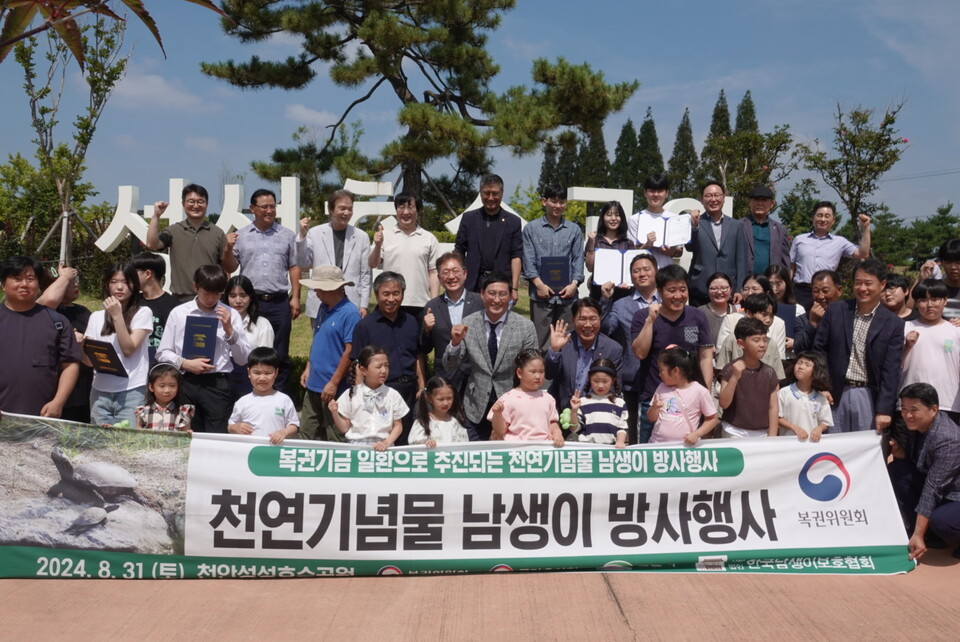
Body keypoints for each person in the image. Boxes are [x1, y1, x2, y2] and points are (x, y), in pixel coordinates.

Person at [442, 271, 538, 441]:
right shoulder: (468, 323)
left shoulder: (525, 326)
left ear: (510, 296)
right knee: (476, 458)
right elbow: (450, 366)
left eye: (502, 294)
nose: (496, 299)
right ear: (482, 294)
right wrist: (455, 344)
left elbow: (533, 367)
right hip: (475, 405)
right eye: (491, 293)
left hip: (513, 406)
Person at [156, 265, 252, 433]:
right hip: (186, 381)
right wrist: (185, 363)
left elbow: (243, 359)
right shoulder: (179, 313)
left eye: (217, 293)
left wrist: (229, 330)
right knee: (186, 431)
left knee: (217, 433)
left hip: (218, 383)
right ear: (195, 287)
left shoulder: (231, 314)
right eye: (207, 292)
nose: (211, 298)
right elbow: (163, 352)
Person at [813, 259, 904, 434]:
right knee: (833, 451)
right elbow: (819, 349)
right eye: (858, 283)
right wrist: (821, 386)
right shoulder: (836, 310)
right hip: (834, 393)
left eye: (868, 283)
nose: (862, 288)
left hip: (868, 395)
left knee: (864, 450)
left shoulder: (893, 324)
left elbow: (891, 370)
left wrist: (884, 409)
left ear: (882, 284)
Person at [222, 188, 300, 392]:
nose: (269, 210)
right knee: (249, 349)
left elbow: (294, 266)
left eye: (272, 206)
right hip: (250, 302)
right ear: (252, 208)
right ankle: (249, 396)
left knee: (280, 353)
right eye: (264, 206)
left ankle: (280, 399)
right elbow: (230, 267)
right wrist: (228, 248)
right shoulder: (242, 235)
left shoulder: (287, 235)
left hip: (279, 302)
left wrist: (296, 297)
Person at [631, 264, 715, 443]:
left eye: (682, 290)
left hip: (691, 401)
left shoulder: (697, 316)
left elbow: (706, 356)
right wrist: (649, 321)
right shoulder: (641, 316)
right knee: (650, 457)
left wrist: (705, 391)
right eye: (671, 290)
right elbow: (640, 353)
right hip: (654, 400)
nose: (678, 296)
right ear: (659, 291)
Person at [0, 256, 81, 417]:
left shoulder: (56, 321)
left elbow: (70, 365)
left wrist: (58, 402)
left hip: (42, 419)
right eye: (17, 279)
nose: (24, 284)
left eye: (30, 279)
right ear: (3, 285)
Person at [887, 383, 960, 562]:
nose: (907, 415)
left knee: (942, 521)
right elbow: (922, 464)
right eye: (904, 409)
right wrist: (902, 454)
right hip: (942, 490)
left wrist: (918, 534)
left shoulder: (948, 438)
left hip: (955, 494)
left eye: (914, 410)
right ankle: (926, 534)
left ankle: (923, 534)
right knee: (898, 469)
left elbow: (933, 488)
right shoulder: (916, 426)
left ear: (934, 409)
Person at [351, 271, 424, 444]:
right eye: (386, 294)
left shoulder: (412, 322)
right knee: (383, 438)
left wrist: (422, 386)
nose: (391, 299)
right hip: (381, 392)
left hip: (409, 390)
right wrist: (359, 396)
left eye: (396, 293)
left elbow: (418, 356)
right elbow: (358, 363)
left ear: (403, 294)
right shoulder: (365, 326)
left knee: (408, 438)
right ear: (376, 295)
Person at [599, 253, 659, 443]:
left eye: (646, 269)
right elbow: (606, 329)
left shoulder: (668, 302)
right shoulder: (621, 304)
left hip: (663, 378)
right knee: (632, 431)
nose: (641, 274)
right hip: (632, 377)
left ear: (656, 271)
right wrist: (605, 301)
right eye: (636, 271)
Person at [82, 263, 152, 427]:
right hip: (99, 391)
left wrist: (117, 316)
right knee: (99, 444)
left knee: (127, 444)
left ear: (134, 286)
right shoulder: (96, 317)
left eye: (126, 282)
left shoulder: (143, 313)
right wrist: (79, 346)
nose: (119, 287)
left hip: (131, 391)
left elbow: (128, 349)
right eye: (114, 282)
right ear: (107, 284)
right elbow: (89, 361)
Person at [298, 266, 361, 442]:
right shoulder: (322, 308)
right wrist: (309, 366)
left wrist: (334, 382)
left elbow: (350, 351)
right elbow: (317, 339)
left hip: (335, 389)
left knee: (336, 437)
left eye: (318, 288)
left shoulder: (350, 313)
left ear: (329, 288)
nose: (316, 292)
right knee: (306, 434)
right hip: (313, 384)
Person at [522, 183, 584, 348]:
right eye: (554, 201)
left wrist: (574, 284)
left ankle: (564, 373)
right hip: (541, 295)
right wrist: (539, 284)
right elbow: (528, 260)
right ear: (544, 201)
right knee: (540, 341)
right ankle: (542, 372)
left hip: (567, 296)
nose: (558, 206)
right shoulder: (531, 229)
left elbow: (578, 259)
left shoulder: (574, 230)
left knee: (568, 340)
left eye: (562, 202)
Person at [145, 184, 230, 301]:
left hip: (210, 299)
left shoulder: (217, 233)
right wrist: (156, 216)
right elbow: (152, 244)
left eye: (200, 201)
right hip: (180, 300)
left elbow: (226, 268)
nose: (196, 205)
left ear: (207, 204)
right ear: (183, 204)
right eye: (191, 201)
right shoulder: (174, 230)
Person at [298, 189, 371, 322]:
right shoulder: (315, 233)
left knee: (350, 341)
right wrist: (302, 236)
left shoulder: (361, 237)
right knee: (322, 341)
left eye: (350, 209)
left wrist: (364, 305)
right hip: (321, 301)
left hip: (351, 303)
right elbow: (303, 263)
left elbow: (365, 274)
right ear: (331, 209)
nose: (347, 213)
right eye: (342, 208)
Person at [369, 191, 439, 319]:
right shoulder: (385, 235)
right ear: (396, 210)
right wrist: (378, 245)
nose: (406, 212)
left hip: (419, 303)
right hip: (390, 302)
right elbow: (373, 263)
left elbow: (433, 273)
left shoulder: (429, 238)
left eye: (410, 207)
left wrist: (434, 303)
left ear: (418, 211)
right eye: (401, 207)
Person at [419, 252, 483, 392]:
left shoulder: (480, 302)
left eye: (455, 271)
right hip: (444, 377)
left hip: (474, 377)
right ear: (439, 278)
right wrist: (427, 329)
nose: (451, 276)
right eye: (446, 272)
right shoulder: (432, 306)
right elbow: (425, 348)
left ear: (465, 273)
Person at [790, 201, 871, 310]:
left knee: (825, 324)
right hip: (801, 292)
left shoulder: (840, 242)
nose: (823, 219)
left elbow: (863, 254)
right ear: (813, 218)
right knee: (799, 324)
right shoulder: (799, 239)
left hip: (826, 293)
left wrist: (865, 228)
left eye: (827, 216)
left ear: (833, 221)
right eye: (819, 215)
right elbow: (791, 267)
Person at [546, 298, 622, 412]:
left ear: (600, 319)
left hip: (596, 413)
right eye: (582, 319)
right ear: (573, 320)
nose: (587, 325)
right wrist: (555, 350)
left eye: (593, 319)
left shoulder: (613, 349)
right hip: (562, 412)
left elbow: (615, 388)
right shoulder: (563, 341)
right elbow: (549, 374)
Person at [454, 174, 523, 300]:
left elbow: (516, 256)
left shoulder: (513, 222)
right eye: (486, 193)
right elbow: (459, 250)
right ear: (480, 193)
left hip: (501, 285)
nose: (491, 198)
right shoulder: (468, 219)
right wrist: (460, 277)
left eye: (495, 193)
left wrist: (514, 288)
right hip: (472, 284)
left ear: (502, 194)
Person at [901, 279, 960, 420]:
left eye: (935, 299)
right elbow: (890, 366)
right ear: (915, 303)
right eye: (923, 300)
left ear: (945, 301)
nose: (930, 305)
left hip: (948, 404)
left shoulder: (956, 331)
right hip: (910, 405)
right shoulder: (904, 328)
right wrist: (906, 345)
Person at [329, 345, 408, 450]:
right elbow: (344, 428)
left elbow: (398, 425)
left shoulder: (392, 395)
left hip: (383, 448)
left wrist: (387, 442)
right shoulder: (352, 394)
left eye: (386, 365)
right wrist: (334, 412)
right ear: (363, 370)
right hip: (356, 448)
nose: (384, 370)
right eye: (378, 367)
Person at [40, 266, 92, 423]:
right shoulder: (42, 311)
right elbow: (47, 301)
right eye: (69, 282)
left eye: (75, 280)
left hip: (84, 389)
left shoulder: (83, 311)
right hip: (55, 392)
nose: (75, 285)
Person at [687, 180, 748, 306]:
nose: (713, 199)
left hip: (728, 289)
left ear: (724, 198)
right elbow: (689, 247)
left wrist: (739, 289)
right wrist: (694, 226)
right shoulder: (695, 222)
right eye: (708, 196)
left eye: (717, 195)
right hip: (700, 288)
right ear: (701, 199)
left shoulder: (736, 225)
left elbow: (741, 259)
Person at [718, 317, 780, 438]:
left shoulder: (769, 372)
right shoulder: (731, 369)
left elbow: (773, 407)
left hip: (762, 433)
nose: (762, 345)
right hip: (733, 431)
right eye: (756, 340)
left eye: (765, 340)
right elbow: (724, 403)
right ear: (741, 343)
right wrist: (735, 377)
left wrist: (772, 435)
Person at [489, 349, 564, 447]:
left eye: (541, 371)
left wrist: (557, 433)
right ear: (519, 373)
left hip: (544, 450)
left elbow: (552, 423)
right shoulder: (508, 399)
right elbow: (500, 430)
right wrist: (498, 414)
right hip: (517, 451)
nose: (538, 376)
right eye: (533, 372)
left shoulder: (548, 398)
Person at [227, 347, 300, 444]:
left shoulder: (284, 400)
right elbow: (231, 425)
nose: (262, 378)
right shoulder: (243, 402)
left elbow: (294, 425)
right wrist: (235, 428)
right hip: (249, 452)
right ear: (249, 373)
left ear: (276, 373)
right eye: (256, 373)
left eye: (268, 373)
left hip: (275, 451)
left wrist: (284, 432)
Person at [647, 346, 718, 445]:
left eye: (661, 370)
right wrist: (654, 408)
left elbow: (713, 419)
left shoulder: (700, 391)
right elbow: (651, 418)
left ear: (675, 371)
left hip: (684, 448)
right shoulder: (661, 387)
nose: (659, 374)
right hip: (657, 445)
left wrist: (697, 434)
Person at [222, 275, 275, 401]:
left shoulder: (262, 324)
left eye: (243, 295)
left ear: (251, 297)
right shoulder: (218, 323)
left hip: (249, 385)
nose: (238, 301)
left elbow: (265, 360)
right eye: (233, 296)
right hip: (222, 385)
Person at [715, 273, 787, 359]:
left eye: (754, 289)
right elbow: (721, 353)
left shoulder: (778, 323)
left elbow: (779, 357)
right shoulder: (730, 319)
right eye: (746, 289)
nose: (749, 293)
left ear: (767, 292)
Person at [716, 293, 785, 380]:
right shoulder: (732, 339)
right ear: (748, 313)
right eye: (764, 315)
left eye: (771, 316)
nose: (768, 320)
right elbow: (721, 371)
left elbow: (778, 378)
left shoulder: (771, 344)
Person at [567, 358, 628, 447]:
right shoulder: (583, 402)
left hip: (610, 450)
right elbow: (574, 429)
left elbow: (622, 428)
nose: (600, 385)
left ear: (613, 380)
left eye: (605, 381)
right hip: (587, 449)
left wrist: (620, 442)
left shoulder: (619, 403)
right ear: (589, 379)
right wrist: (574, 411)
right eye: (595, 381)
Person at [131, 252, 180, 363]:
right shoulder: (130, 302)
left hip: (161, 368)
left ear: (147, 274)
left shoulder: (175, 307)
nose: (128, 277)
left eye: (133, 272)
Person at [627, 174, 685, 269]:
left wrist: (669, 251)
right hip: (643, 273)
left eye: (660, 191)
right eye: (652, 191)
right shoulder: (635, 219)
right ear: (645, 193)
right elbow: (632, 252)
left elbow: (679, 252)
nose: (656, 194)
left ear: (666, 193)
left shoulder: (675, 219)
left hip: (667, 272)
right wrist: (647, 245)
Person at [585, 200, 636, 303]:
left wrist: (628, 282)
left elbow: (631, 269)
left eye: (617, 215)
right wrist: (591, 243)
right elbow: (590, 268)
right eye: (609, 215)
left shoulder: (628, 243)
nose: (613, 218)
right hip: (598, 292)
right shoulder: (595, 240)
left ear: (621, 218)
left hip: (622, 293)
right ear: (603, 218)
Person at [778, 351, 833, 441]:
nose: (801, 367)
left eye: (807, 365)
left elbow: (825, 421)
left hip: (811, 445)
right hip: (788, 443)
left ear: (816, 371)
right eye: (799, 363)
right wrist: (793, 427)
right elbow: (777, 418)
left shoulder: (820, 398)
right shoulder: (784, 392)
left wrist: (819, 429)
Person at [739, 184, 790, 275]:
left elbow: (785, 261)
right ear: (749, 202)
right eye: (756, 199)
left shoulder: (780, 230)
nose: (760, 203)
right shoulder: (738, 226)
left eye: (764, 200)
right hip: (745, 283)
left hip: (770, 283)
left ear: (771, 204)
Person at [793, 269, 844, 354]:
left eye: (825, 291)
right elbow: (799, 349)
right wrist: (812, 324)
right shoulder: (802, 320)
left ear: (839, 290)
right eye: (816, 291)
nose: (820, 296)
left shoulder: (848, 317)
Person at [409, 376, 469, 447]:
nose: (445, 403)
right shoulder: (423, 422)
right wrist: (426, 443)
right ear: (429, 398)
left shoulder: (456, 421)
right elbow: (414, 443)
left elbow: (464, 444)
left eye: (449, 398)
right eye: (441, 399)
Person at [134, 363, 194, 432]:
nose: (167, 390)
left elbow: (185, 437)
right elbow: (137, 435)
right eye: (162, 386)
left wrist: (189, 434)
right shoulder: (143, 412)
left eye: (172, 385)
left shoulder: (183, 412)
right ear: (151, 387)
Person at [918, 239, 960, 320]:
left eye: (958, 262)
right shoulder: (934, 288)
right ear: (941, 263)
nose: (953, 267)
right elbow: (909, 309)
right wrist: (920, 280)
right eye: (948, 262)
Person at [699, 272, 736, 345]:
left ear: (731, 289)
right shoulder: (699, 312)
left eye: (724, 288)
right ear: (707, 290)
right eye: (714, 288)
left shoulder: (738, 312)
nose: (719, 292)